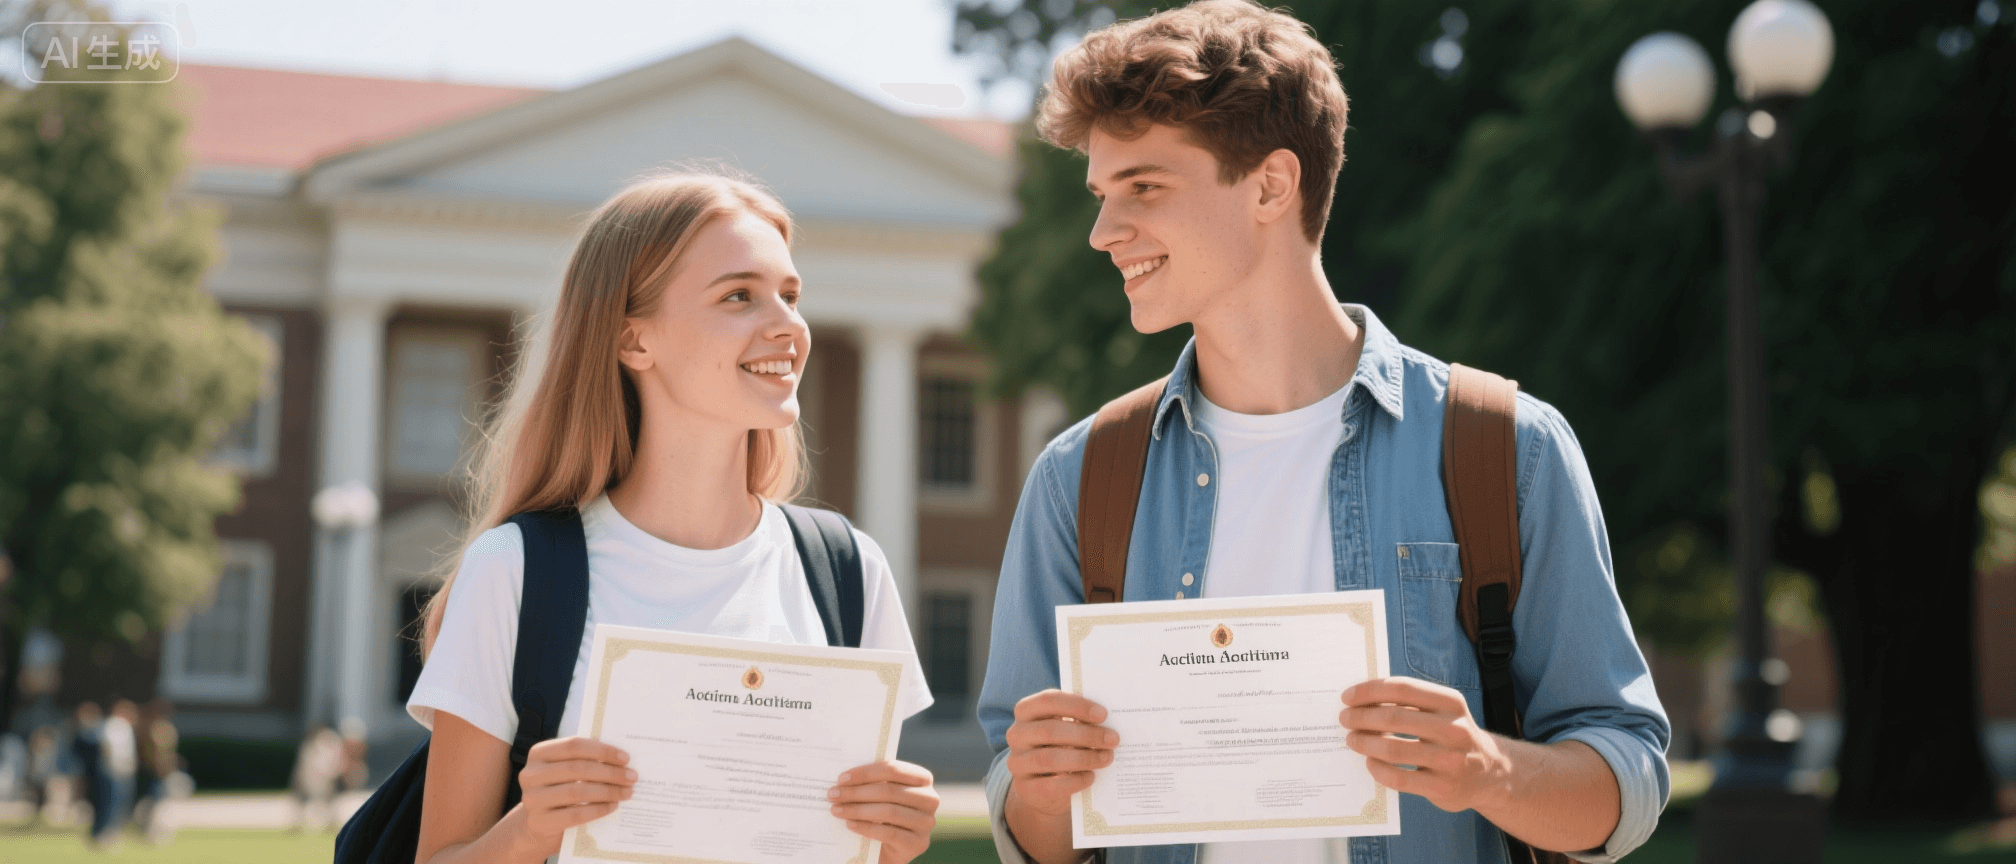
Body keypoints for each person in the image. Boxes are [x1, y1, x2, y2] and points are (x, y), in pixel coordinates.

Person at [976, 3, 1671, 864]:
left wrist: (1485, 770)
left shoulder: (1506, 448)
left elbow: (1625, 781)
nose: (1102, 231)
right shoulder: (1078, 478)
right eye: (1101, 193)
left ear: (1271, 185)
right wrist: (1043, 792)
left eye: (1144, 187)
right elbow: (1028, 823)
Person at [407, 163, 941, 864]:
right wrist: (531, 829)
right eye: (740, 297)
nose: (789, 326)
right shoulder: (516, 571)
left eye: (790, 294)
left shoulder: (847, 571)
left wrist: (894, 842)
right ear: (633, 341)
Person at [291, 724, 345, 831]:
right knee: (307, 802)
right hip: (314, 778)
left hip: (325, 779)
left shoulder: (329, 745)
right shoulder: (312, 746)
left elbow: (335, 763)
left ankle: (330, 824)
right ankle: (299, 823)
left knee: (327, 802)